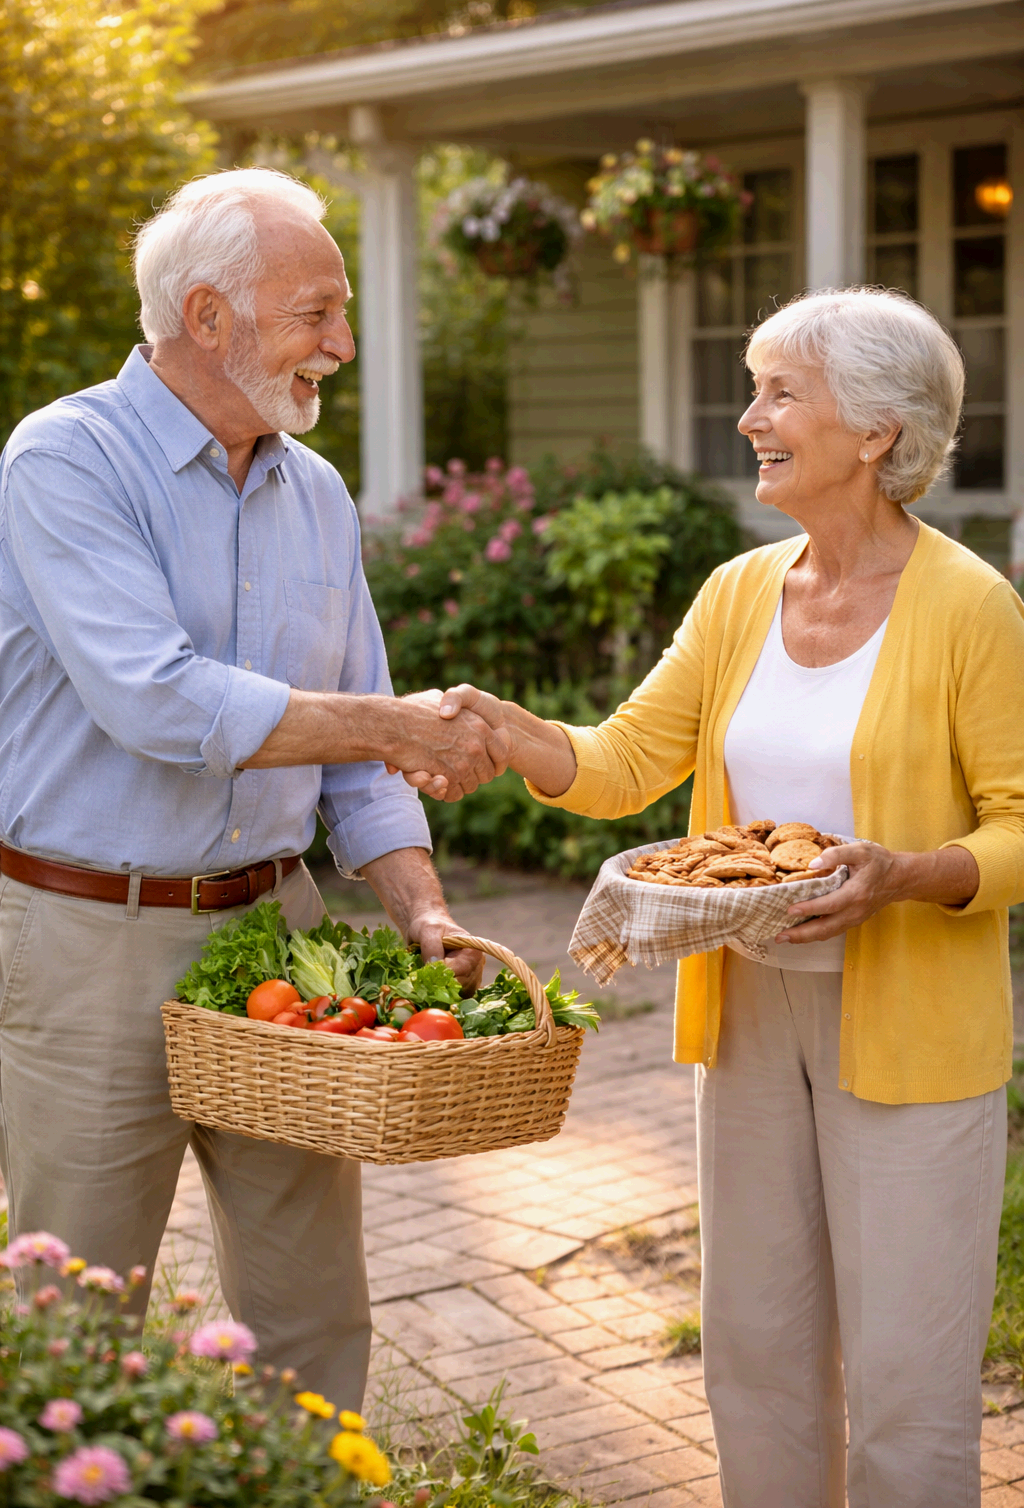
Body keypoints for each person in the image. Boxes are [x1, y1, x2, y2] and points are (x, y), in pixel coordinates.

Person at [411, 288, 1024, 1507]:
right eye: (754, 388)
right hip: (746, 1026)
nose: (749, 417)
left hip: (907, 1032)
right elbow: (629, 758)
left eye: (780, 392)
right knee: (754, 1349)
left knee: (906, 1379)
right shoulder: (741, 591)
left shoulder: (971, 608)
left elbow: (1017, 822)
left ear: (877, 434)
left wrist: (900, 873)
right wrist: (507, 730)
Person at [0, 168, 506, 1407]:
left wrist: (419, 908)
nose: (342, 342)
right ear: (208, 315)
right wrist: (395, 723)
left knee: (311, 1309)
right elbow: (158, 701)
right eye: (315, 311)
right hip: (87, 939)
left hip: (280, 936)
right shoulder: (64, 459)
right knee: (79, 1322)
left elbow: (355, 749)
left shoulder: (315, 489)